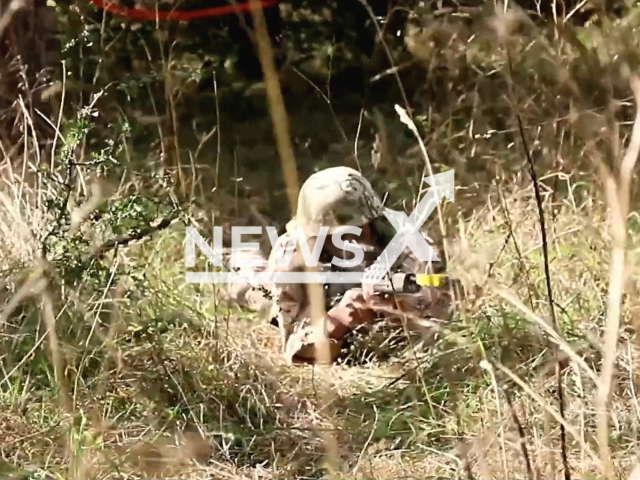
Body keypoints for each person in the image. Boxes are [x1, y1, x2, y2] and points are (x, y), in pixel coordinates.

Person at [223, 166, 459, 365]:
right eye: (344, 234)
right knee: (253, 288)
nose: (358, 239)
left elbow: (444, 298)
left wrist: (400, 311)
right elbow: (294, 352)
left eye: (363, 227)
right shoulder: (294, 258)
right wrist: (337, 321)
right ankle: (241, 257)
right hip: (294, 290)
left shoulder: (404, 238)